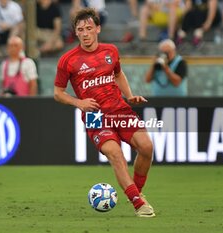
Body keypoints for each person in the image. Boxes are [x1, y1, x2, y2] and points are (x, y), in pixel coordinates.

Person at [54, 8, 155, 217]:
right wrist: (79, 102)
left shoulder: (111, 51)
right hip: (95, 116)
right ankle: (138, 204)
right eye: (80, 29)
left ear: (98, 29)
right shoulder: (68, 60)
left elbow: (118, 74)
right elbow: (58, 93)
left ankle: (137, 191)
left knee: (146, 147)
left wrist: (129, 96)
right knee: (115, 154)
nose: (85, 33)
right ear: (76, 32)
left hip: (119, 109)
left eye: (89, 28)